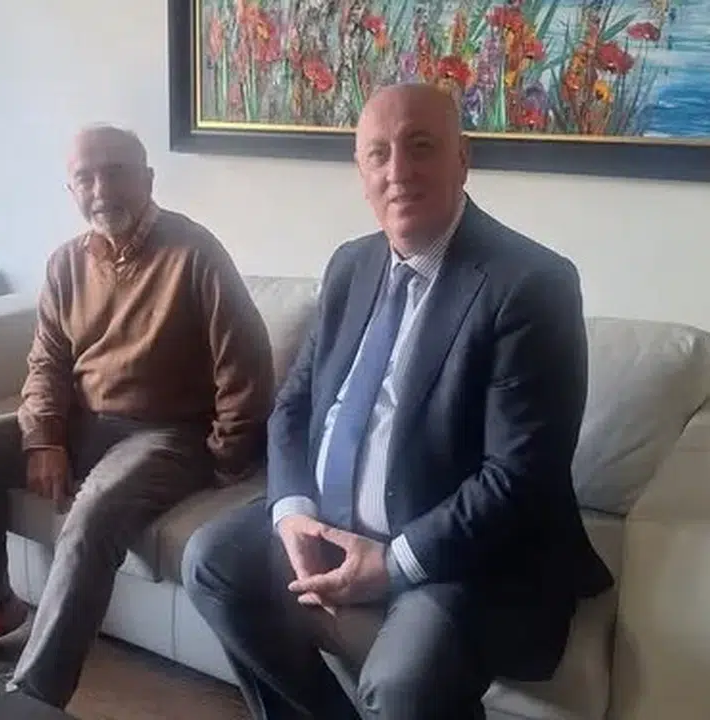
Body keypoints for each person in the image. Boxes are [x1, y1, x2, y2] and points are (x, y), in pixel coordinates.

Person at [180, 83, 615, 720]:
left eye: (421, 147)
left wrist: (393, 562)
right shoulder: (351, 265)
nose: (398, 172)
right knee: (211, 562)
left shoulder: (530, 284)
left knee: (402, 685)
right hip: (332, 519)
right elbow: (295, 405)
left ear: (462, 158)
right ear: (360, 171)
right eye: (378, 154)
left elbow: (521, 476)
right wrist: (293, 514)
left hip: (462, 550)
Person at [0, 124, 275, 709]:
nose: (102, 189)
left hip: (168, 434)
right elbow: (47, 364)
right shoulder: (65, 264)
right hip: (85, 423)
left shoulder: (195, 253)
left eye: (116, 172)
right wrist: (43, 437)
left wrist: (226, 460)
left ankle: (34, 697)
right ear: (72, 190)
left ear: (148, 179)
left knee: (94, 514)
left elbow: (248, 367)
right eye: (86, 177)